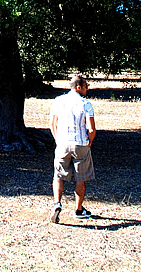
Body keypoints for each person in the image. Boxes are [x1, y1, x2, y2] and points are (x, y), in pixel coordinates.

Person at [49, 75, 96, 223]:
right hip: (80, 144)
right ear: (78, 87)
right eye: (85, 86)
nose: (87, 88)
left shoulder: (58, 100)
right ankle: (78, 209)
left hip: (62, 143)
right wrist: (89, 142)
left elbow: (52, 123)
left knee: (58, 174)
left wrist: (58, 140)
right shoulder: (85, 103)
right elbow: (92, 128)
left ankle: (57, 203)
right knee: (80, 178)